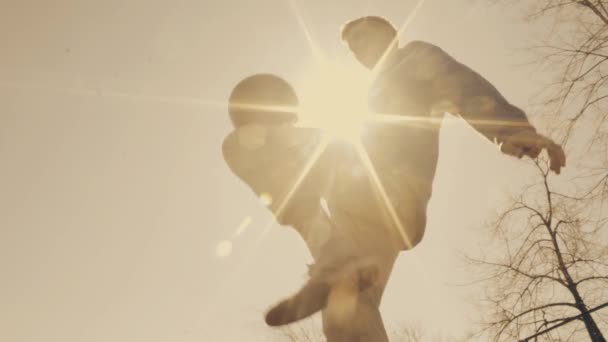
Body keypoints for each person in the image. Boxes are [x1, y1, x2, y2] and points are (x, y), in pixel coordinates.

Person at [264, 16, 567, 341]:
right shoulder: (364, 99)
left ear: (390, 36)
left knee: (276, 151)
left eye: (362, 39)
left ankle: (330, 253)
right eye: (351, 48)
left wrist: (512, 130)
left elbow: (462, 86)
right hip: (353, 207)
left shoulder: (412, 61)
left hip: (388, 198)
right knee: (345, 308)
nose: (357, 51)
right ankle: (334, 260)